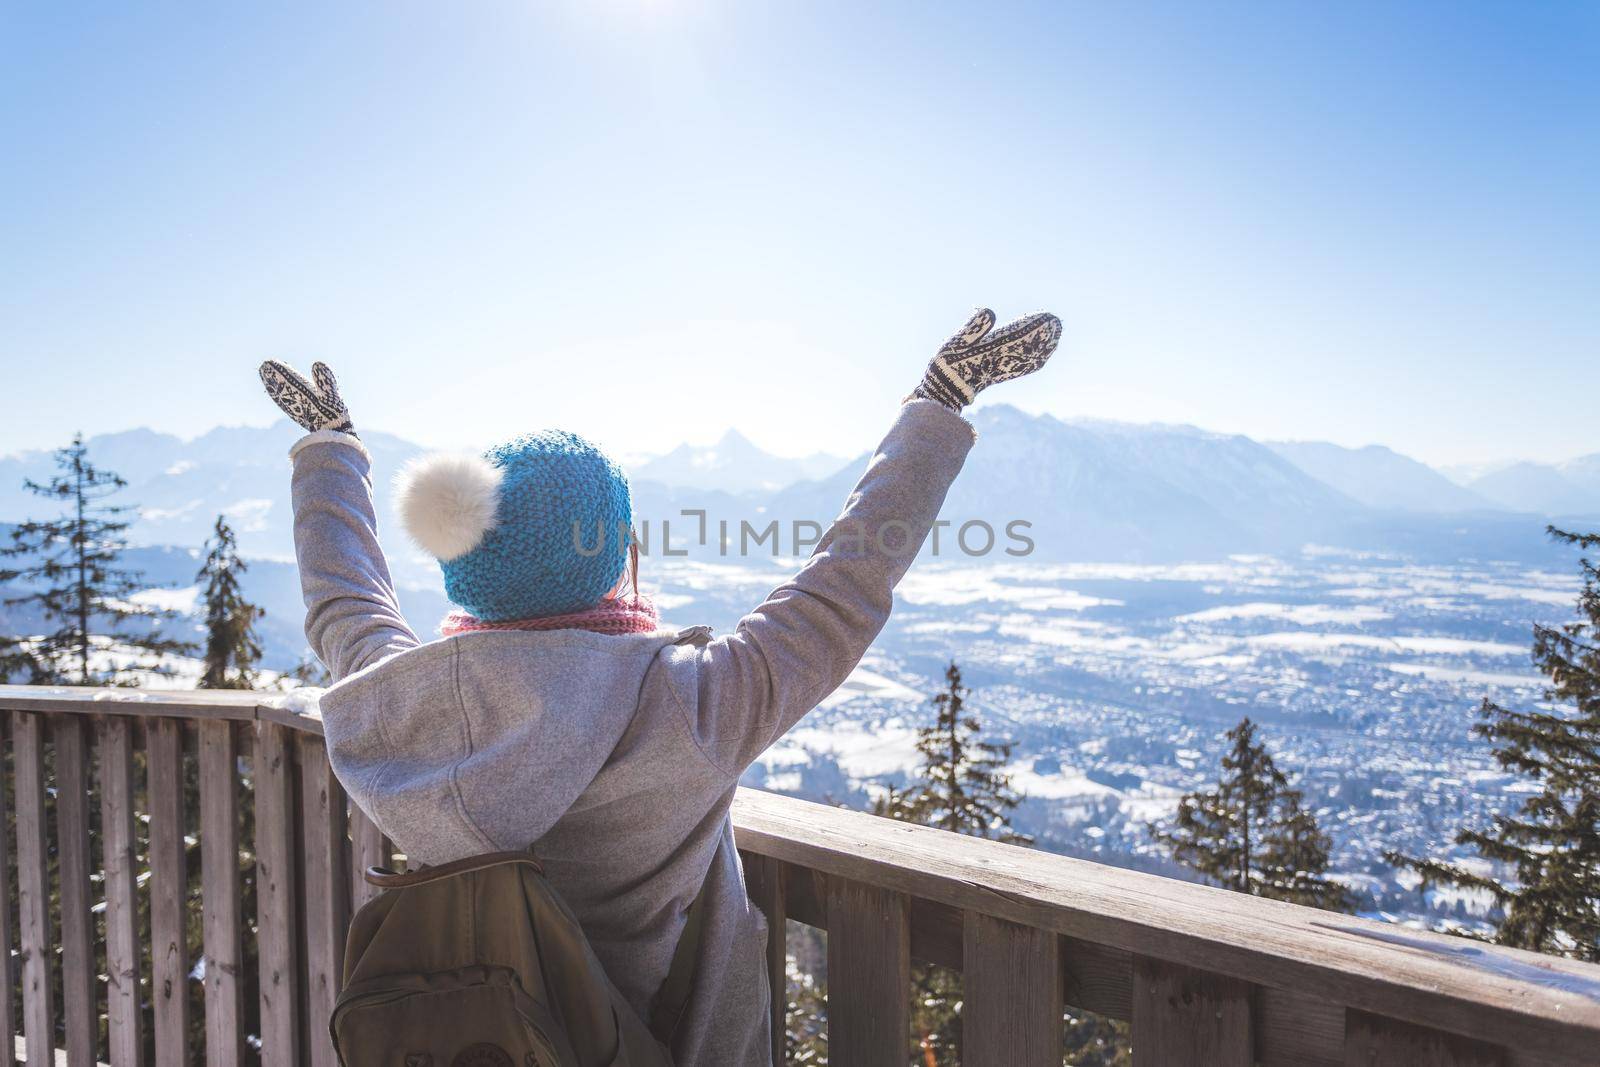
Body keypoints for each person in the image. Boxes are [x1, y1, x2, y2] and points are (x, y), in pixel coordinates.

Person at [258, 306, 1062, 1066]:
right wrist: (937, 405)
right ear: (620, 559)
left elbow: (345, 600)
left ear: (463, 566)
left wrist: (330, 450)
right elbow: (844, 587)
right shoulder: (695, 703)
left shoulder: (398, 708)